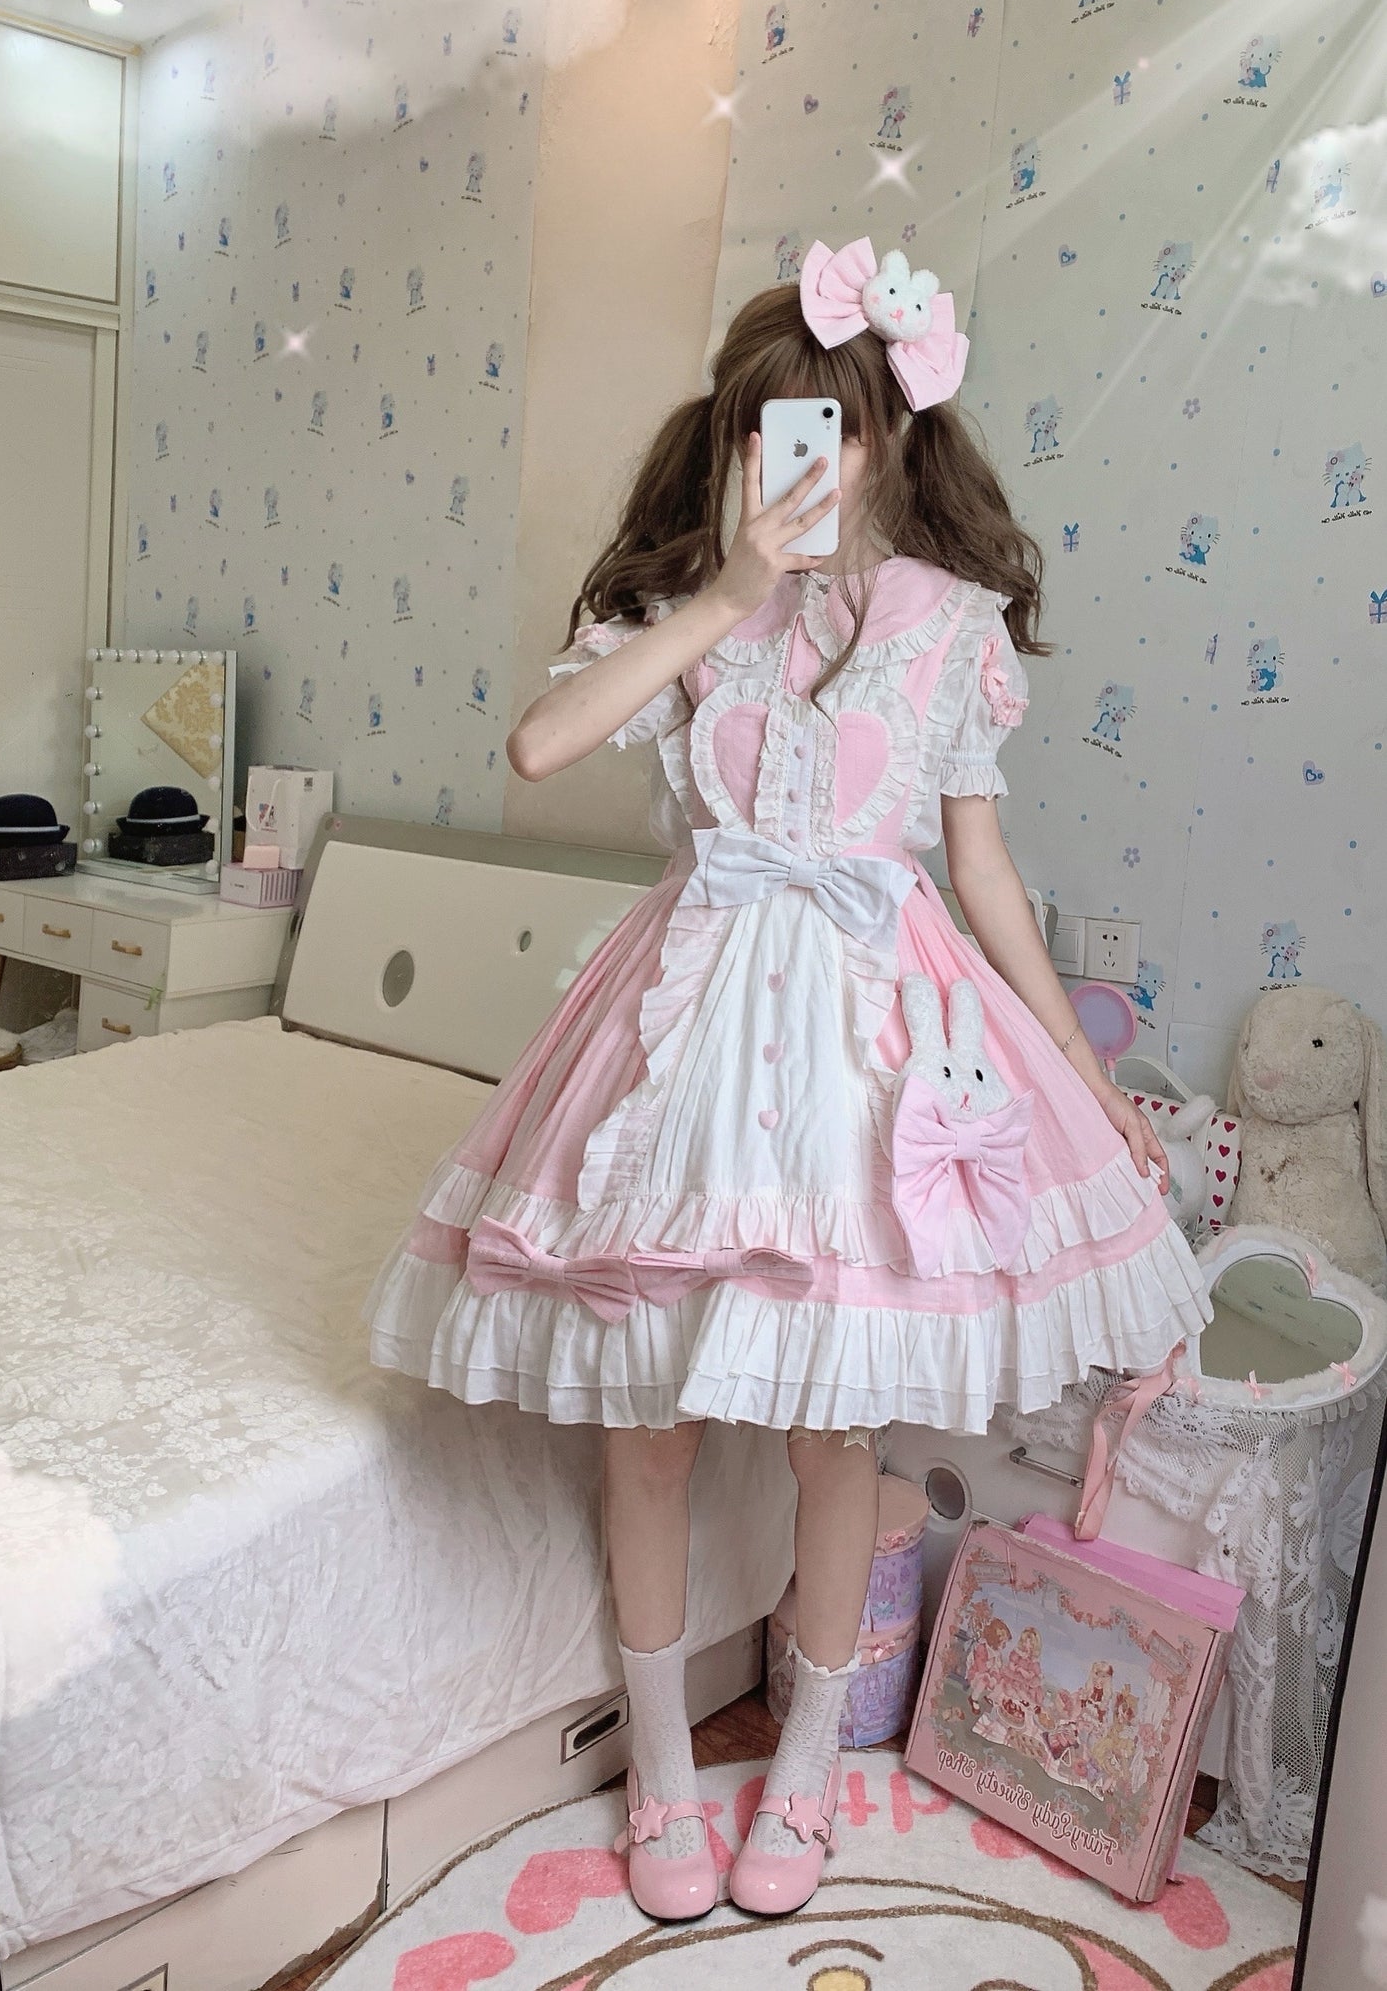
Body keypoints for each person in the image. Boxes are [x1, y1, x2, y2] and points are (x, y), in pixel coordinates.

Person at [365, 234, 1211, 1923]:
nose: (799, 461)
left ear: (891, 440)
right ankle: (662, 1773)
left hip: (867, 1045)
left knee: (837, 1438)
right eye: (768, 429)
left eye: (832, 427)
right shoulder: (681, 604)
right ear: (735, 437)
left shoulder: (950, 625)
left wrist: (1077, 1067)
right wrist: (727, 594)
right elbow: (538, 745)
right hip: (686, 1022)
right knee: (649, 1429)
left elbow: (978, 871)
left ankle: (808, 1765)